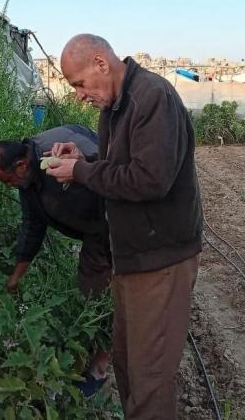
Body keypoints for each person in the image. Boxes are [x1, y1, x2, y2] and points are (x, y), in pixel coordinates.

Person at [45, 34, 203, 419]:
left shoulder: (152, 97)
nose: (80, 96)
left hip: (161, 259)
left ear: (101, 63)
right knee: (128, 365)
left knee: (149, 380)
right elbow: (121, 165)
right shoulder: (113, 108)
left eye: (79, 84)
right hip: (131, 257)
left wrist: (81, 171)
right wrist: (85, 159)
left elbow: (151, 179)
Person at [0, 124, 111, 395]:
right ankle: (97, 341)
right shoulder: (28, 176)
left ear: (20, 164)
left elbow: (112, 173)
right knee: (93, 291)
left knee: (121, 293)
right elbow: (33, 226)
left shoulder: (60, 157)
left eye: (7, 180)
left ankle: (102, 366)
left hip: (120, 222)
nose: (9, 186)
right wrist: (15, 279)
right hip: (95, 232)